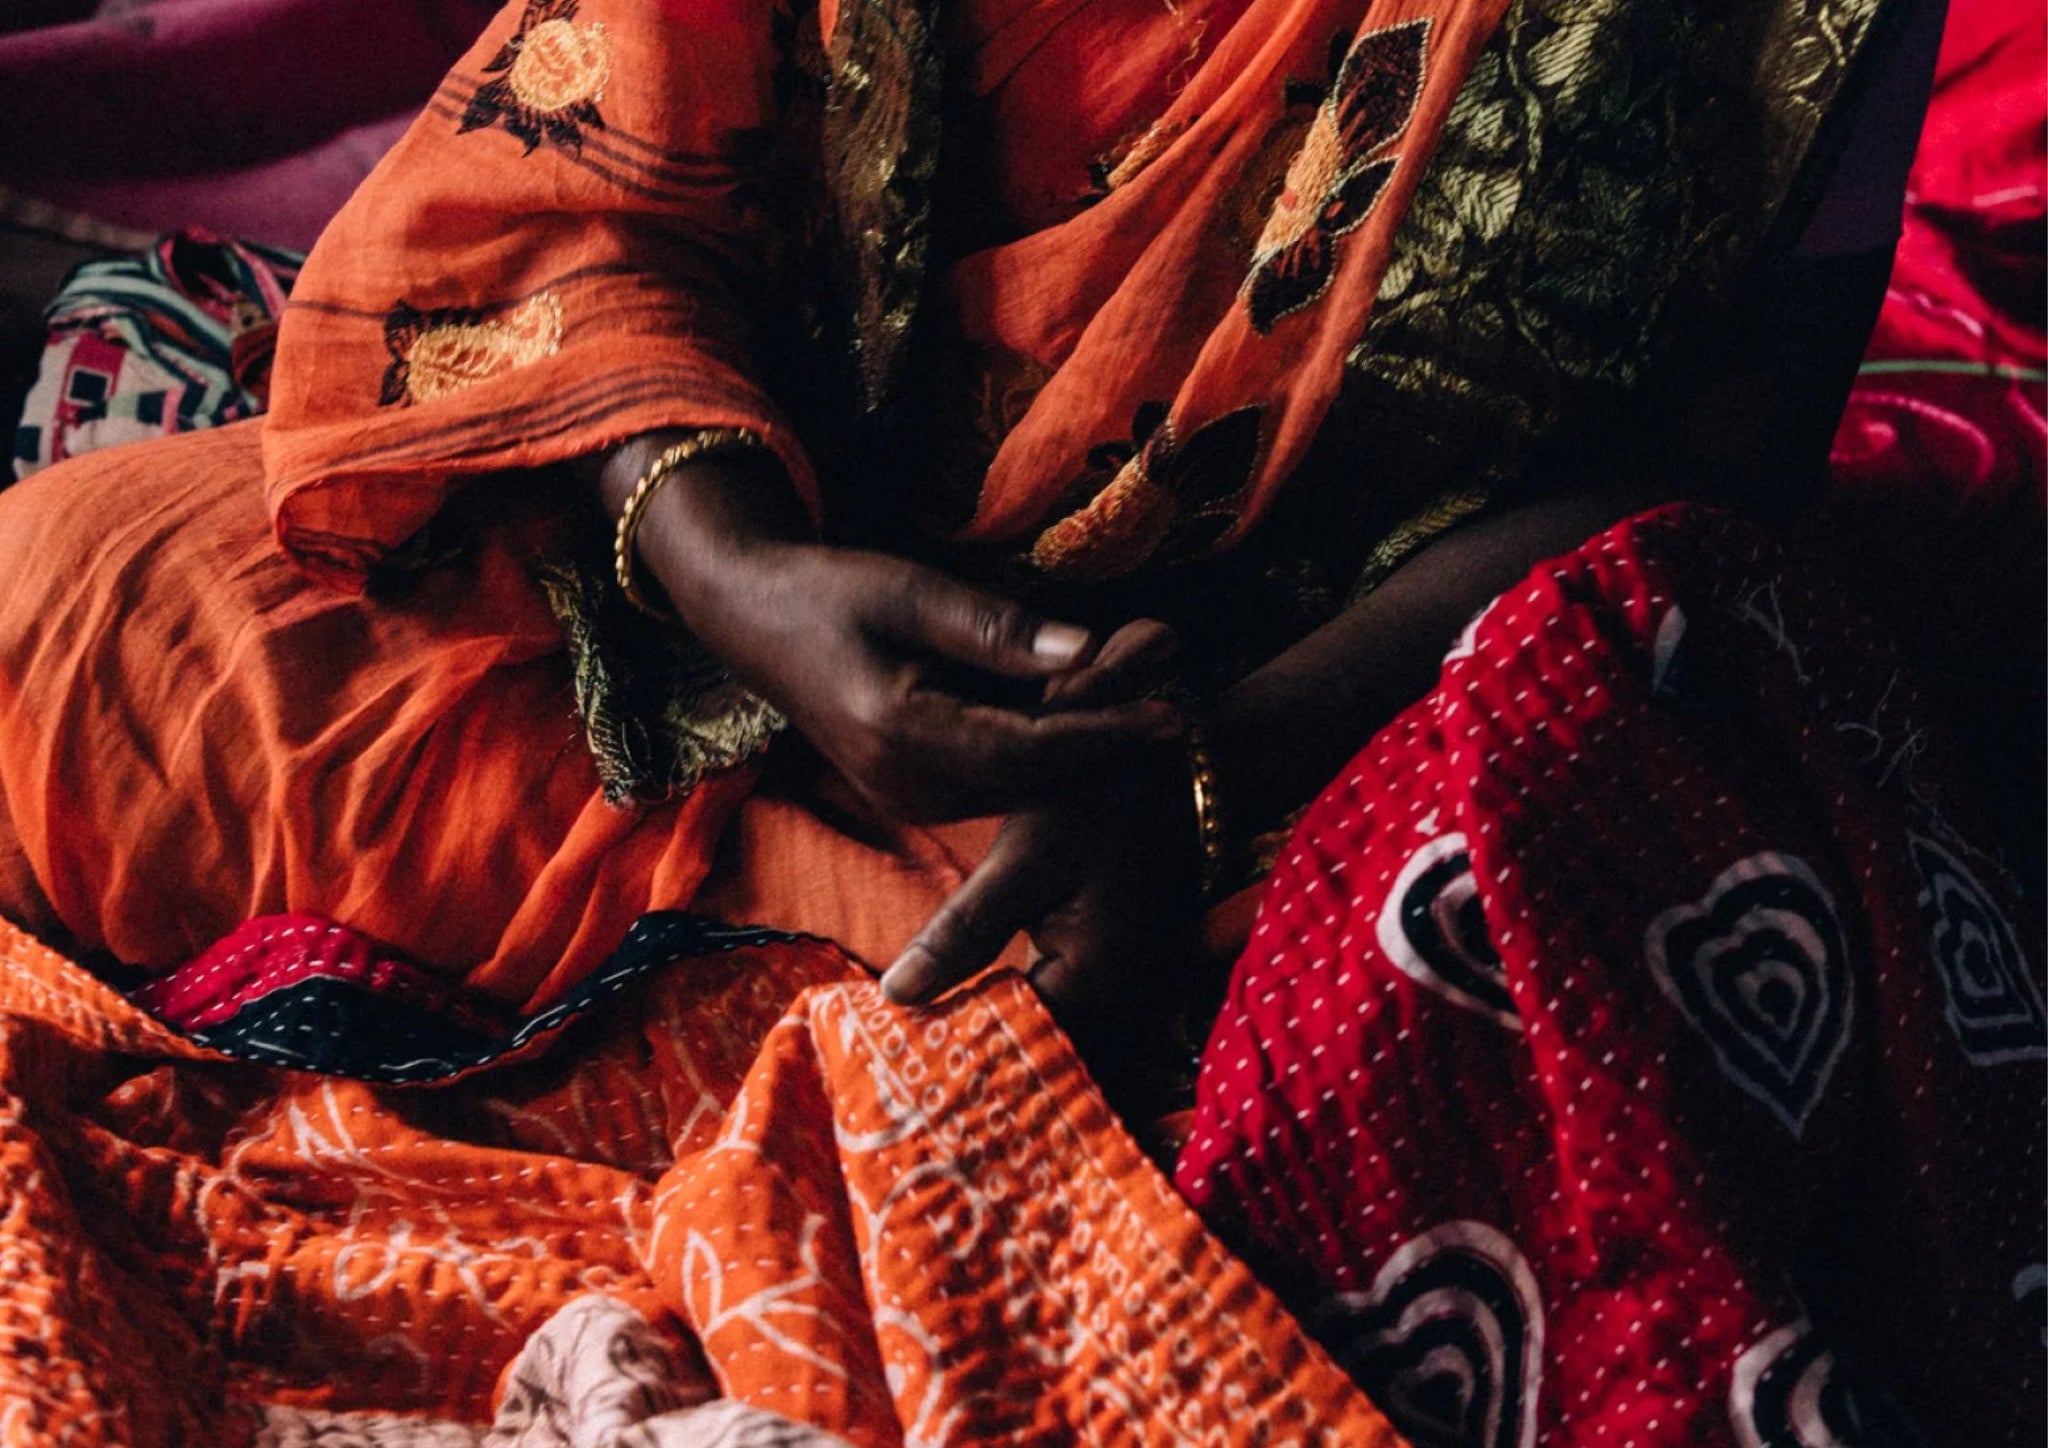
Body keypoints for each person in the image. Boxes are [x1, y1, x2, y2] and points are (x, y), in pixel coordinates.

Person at [0, 0, 2038, 1439]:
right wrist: (741, 578)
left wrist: (1208, 753)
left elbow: (1715, 468)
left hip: (1299, 727)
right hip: (715, 589)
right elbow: (562, 184)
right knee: (62, 594)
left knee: (1569, 861)